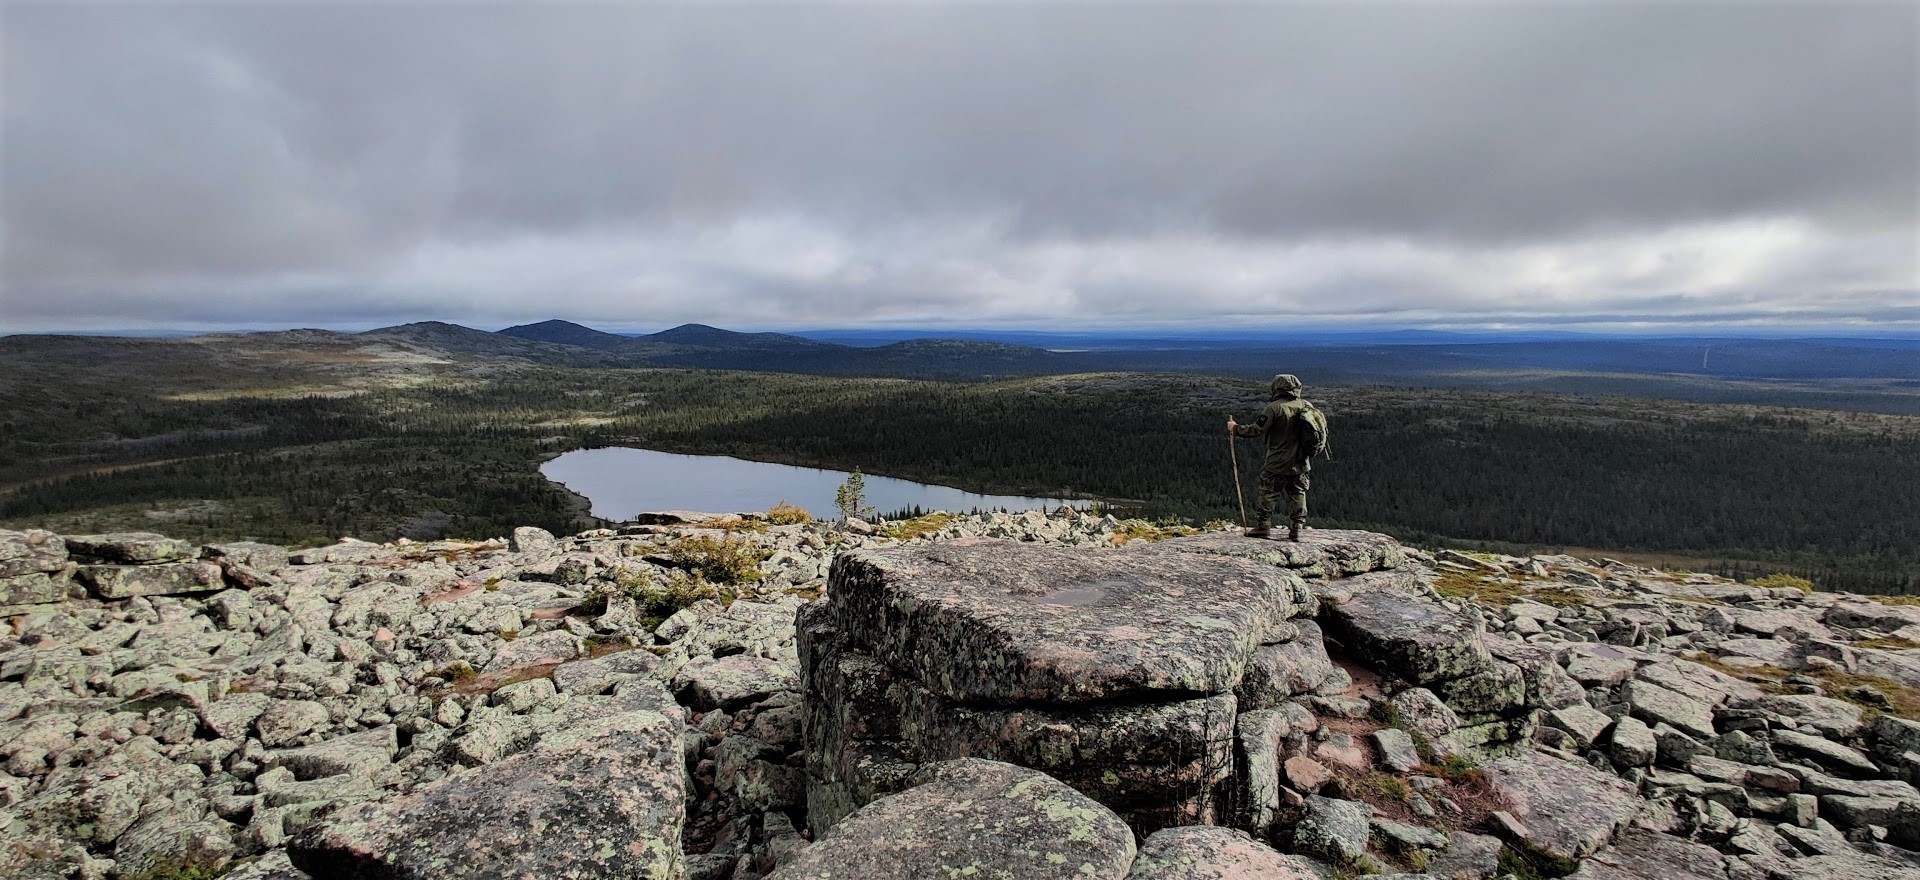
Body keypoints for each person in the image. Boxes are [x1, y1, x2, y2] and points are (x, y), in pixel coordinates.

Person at [1227, 374, 1323, 541]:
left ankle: (1263, 527)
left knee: (1269, 492)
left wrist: (1235, 429)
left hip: (1277, 460)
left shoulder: (1274, 408)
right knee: (1298, 493)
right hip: (1300, 461)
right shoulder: (1306, 406)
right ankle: (1297, 528)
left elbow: (1257, 429)